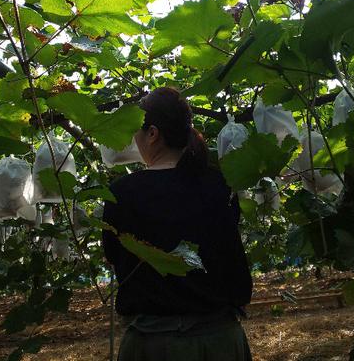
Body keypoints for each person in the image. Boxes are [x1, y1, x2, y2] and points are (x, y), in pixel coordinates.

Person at [102, 87, 253, 361]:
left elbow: (114, 257)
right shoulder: (218, 183)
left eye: (136, 130)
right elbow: (231, 254)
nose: (133, 140)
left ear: (152, 133)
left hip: (153, 345)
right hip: (218, 341)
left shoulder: (121, 193)